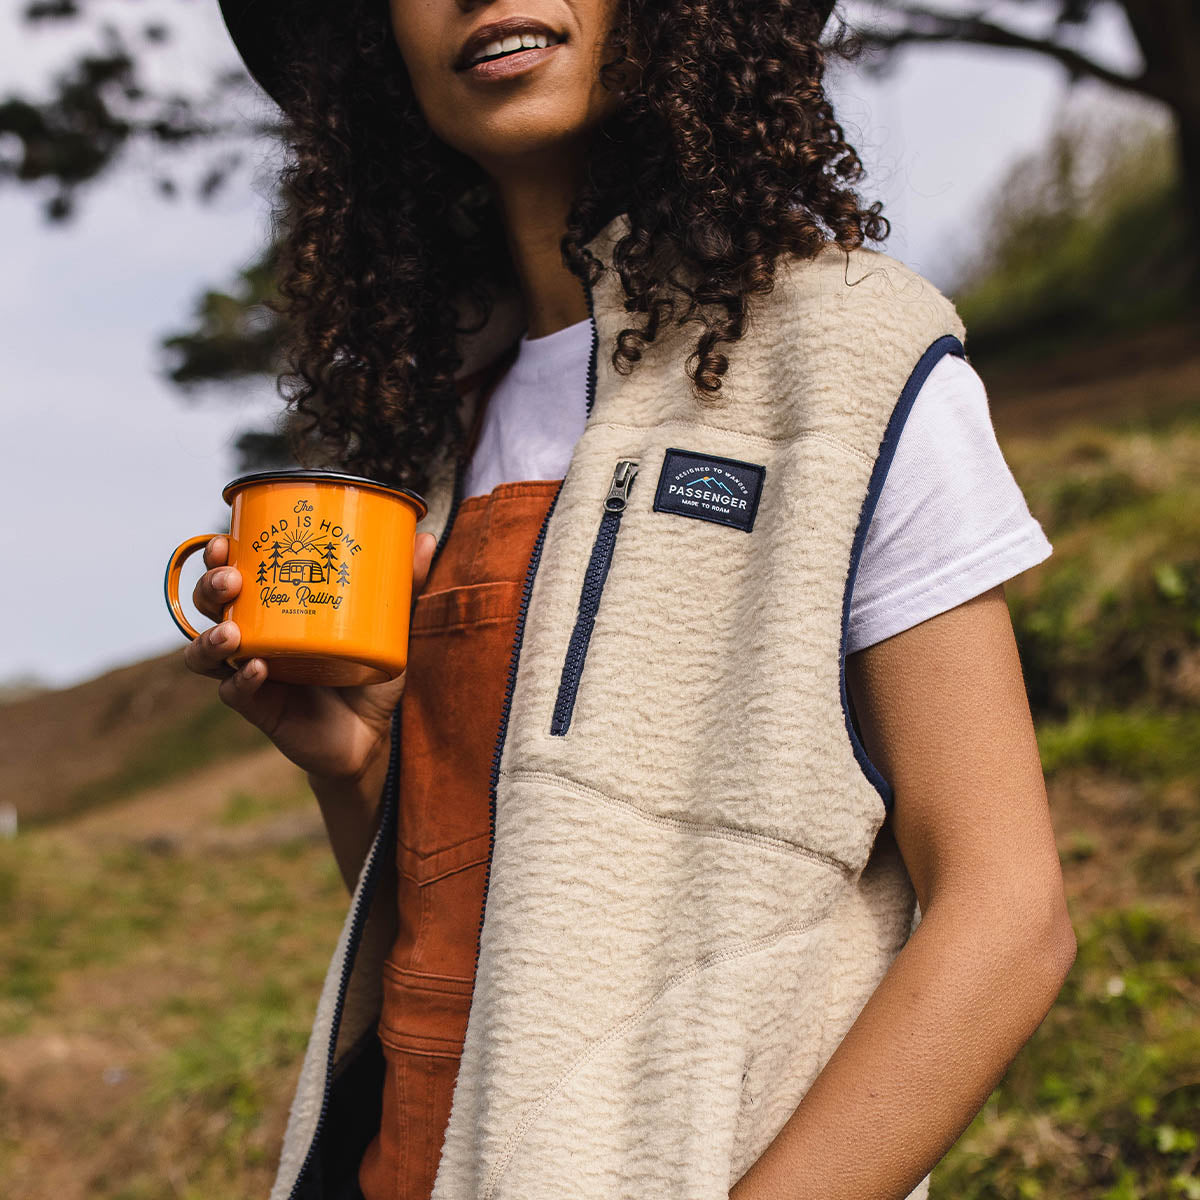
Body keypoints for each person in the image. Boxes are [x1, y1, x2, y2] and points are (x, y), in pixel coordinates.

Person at [186, 0, 1078, 1196]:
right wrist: (357, 772)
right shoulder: (432, 430)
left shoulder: (854, 358)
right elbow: (507, 954)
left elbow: (1008, 917)